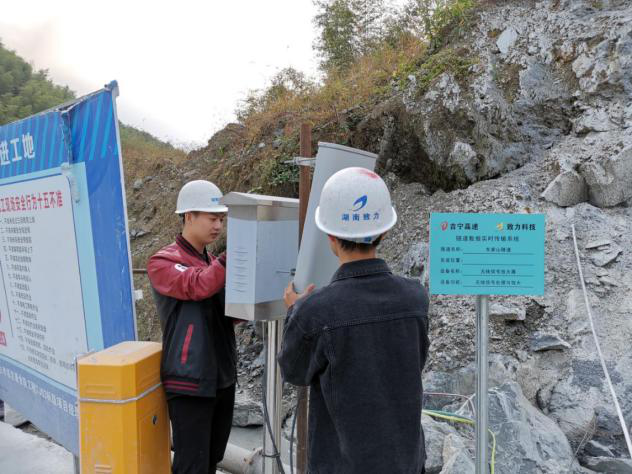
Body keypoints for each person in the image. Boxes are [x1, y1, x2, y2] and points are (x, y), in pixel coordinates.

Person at [278, 167, 430, 474]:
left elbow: (294, 371)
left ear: (331, 237)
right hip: (405, 462)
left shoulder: (315, 311)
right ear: (384, 232)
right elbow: (417, 360)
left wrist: (296, 311)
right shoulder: (415, 297)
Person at [147, 180, 237, 474]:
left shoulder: (210, 262)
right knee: (191, 465)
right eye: (212, 218)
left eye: (221, 219)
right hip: (189, 381)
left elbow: (228, 314)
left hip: (221, 377)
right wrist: (234, 254)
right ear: (188, 216)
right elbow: (197, 285)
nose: (218, 226)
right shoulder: (163, 261)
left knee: (211, 458)